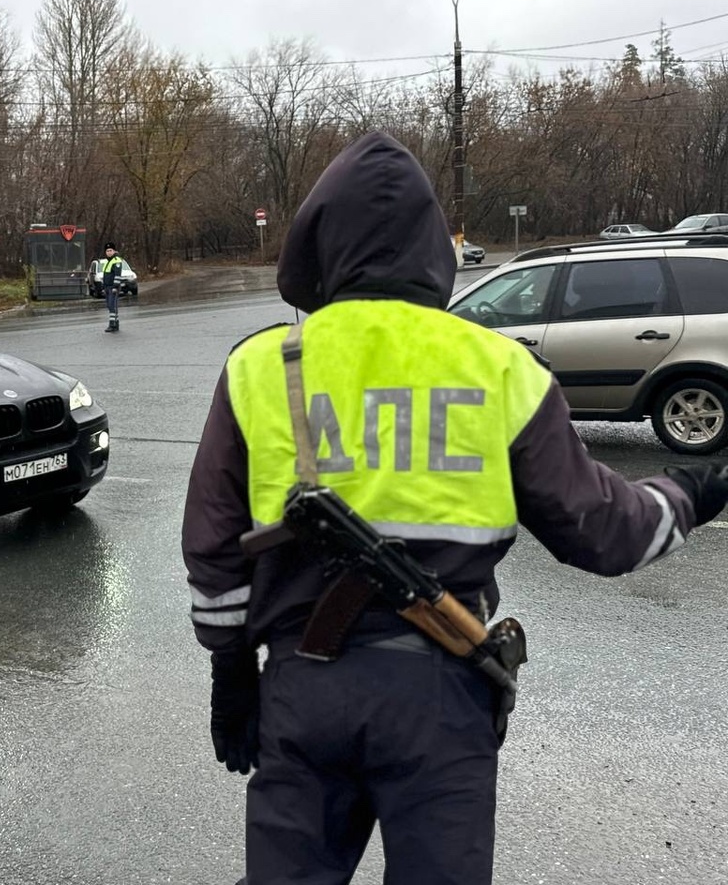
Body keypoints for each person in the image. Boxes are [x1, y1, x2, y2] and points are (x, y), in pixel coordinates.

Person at [180, 131, 728, 885]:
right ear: (435, 246)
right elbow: (605, 534)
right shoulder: (499, 365)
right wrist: (693, 491)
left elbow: (213, 549)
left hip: (302, 690)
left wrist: (230, 671)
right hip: (443, 690)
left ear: (316, 242)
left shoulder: (261, 364)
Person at [99, 242, 123, 332]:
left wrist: (115, 287)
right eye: (107, 251)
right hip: (107, 287)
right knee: (110, 306)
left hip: (113, 287)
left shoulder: (116, 260)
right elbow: (106, 275)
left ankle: (112, 325)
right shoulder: (107, 262)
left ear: (114, 251)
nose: (109, 252)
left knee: (112, 305)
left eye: (110, 250)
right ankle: (115, 323)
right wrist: (104, 287)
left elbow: (117, 275)